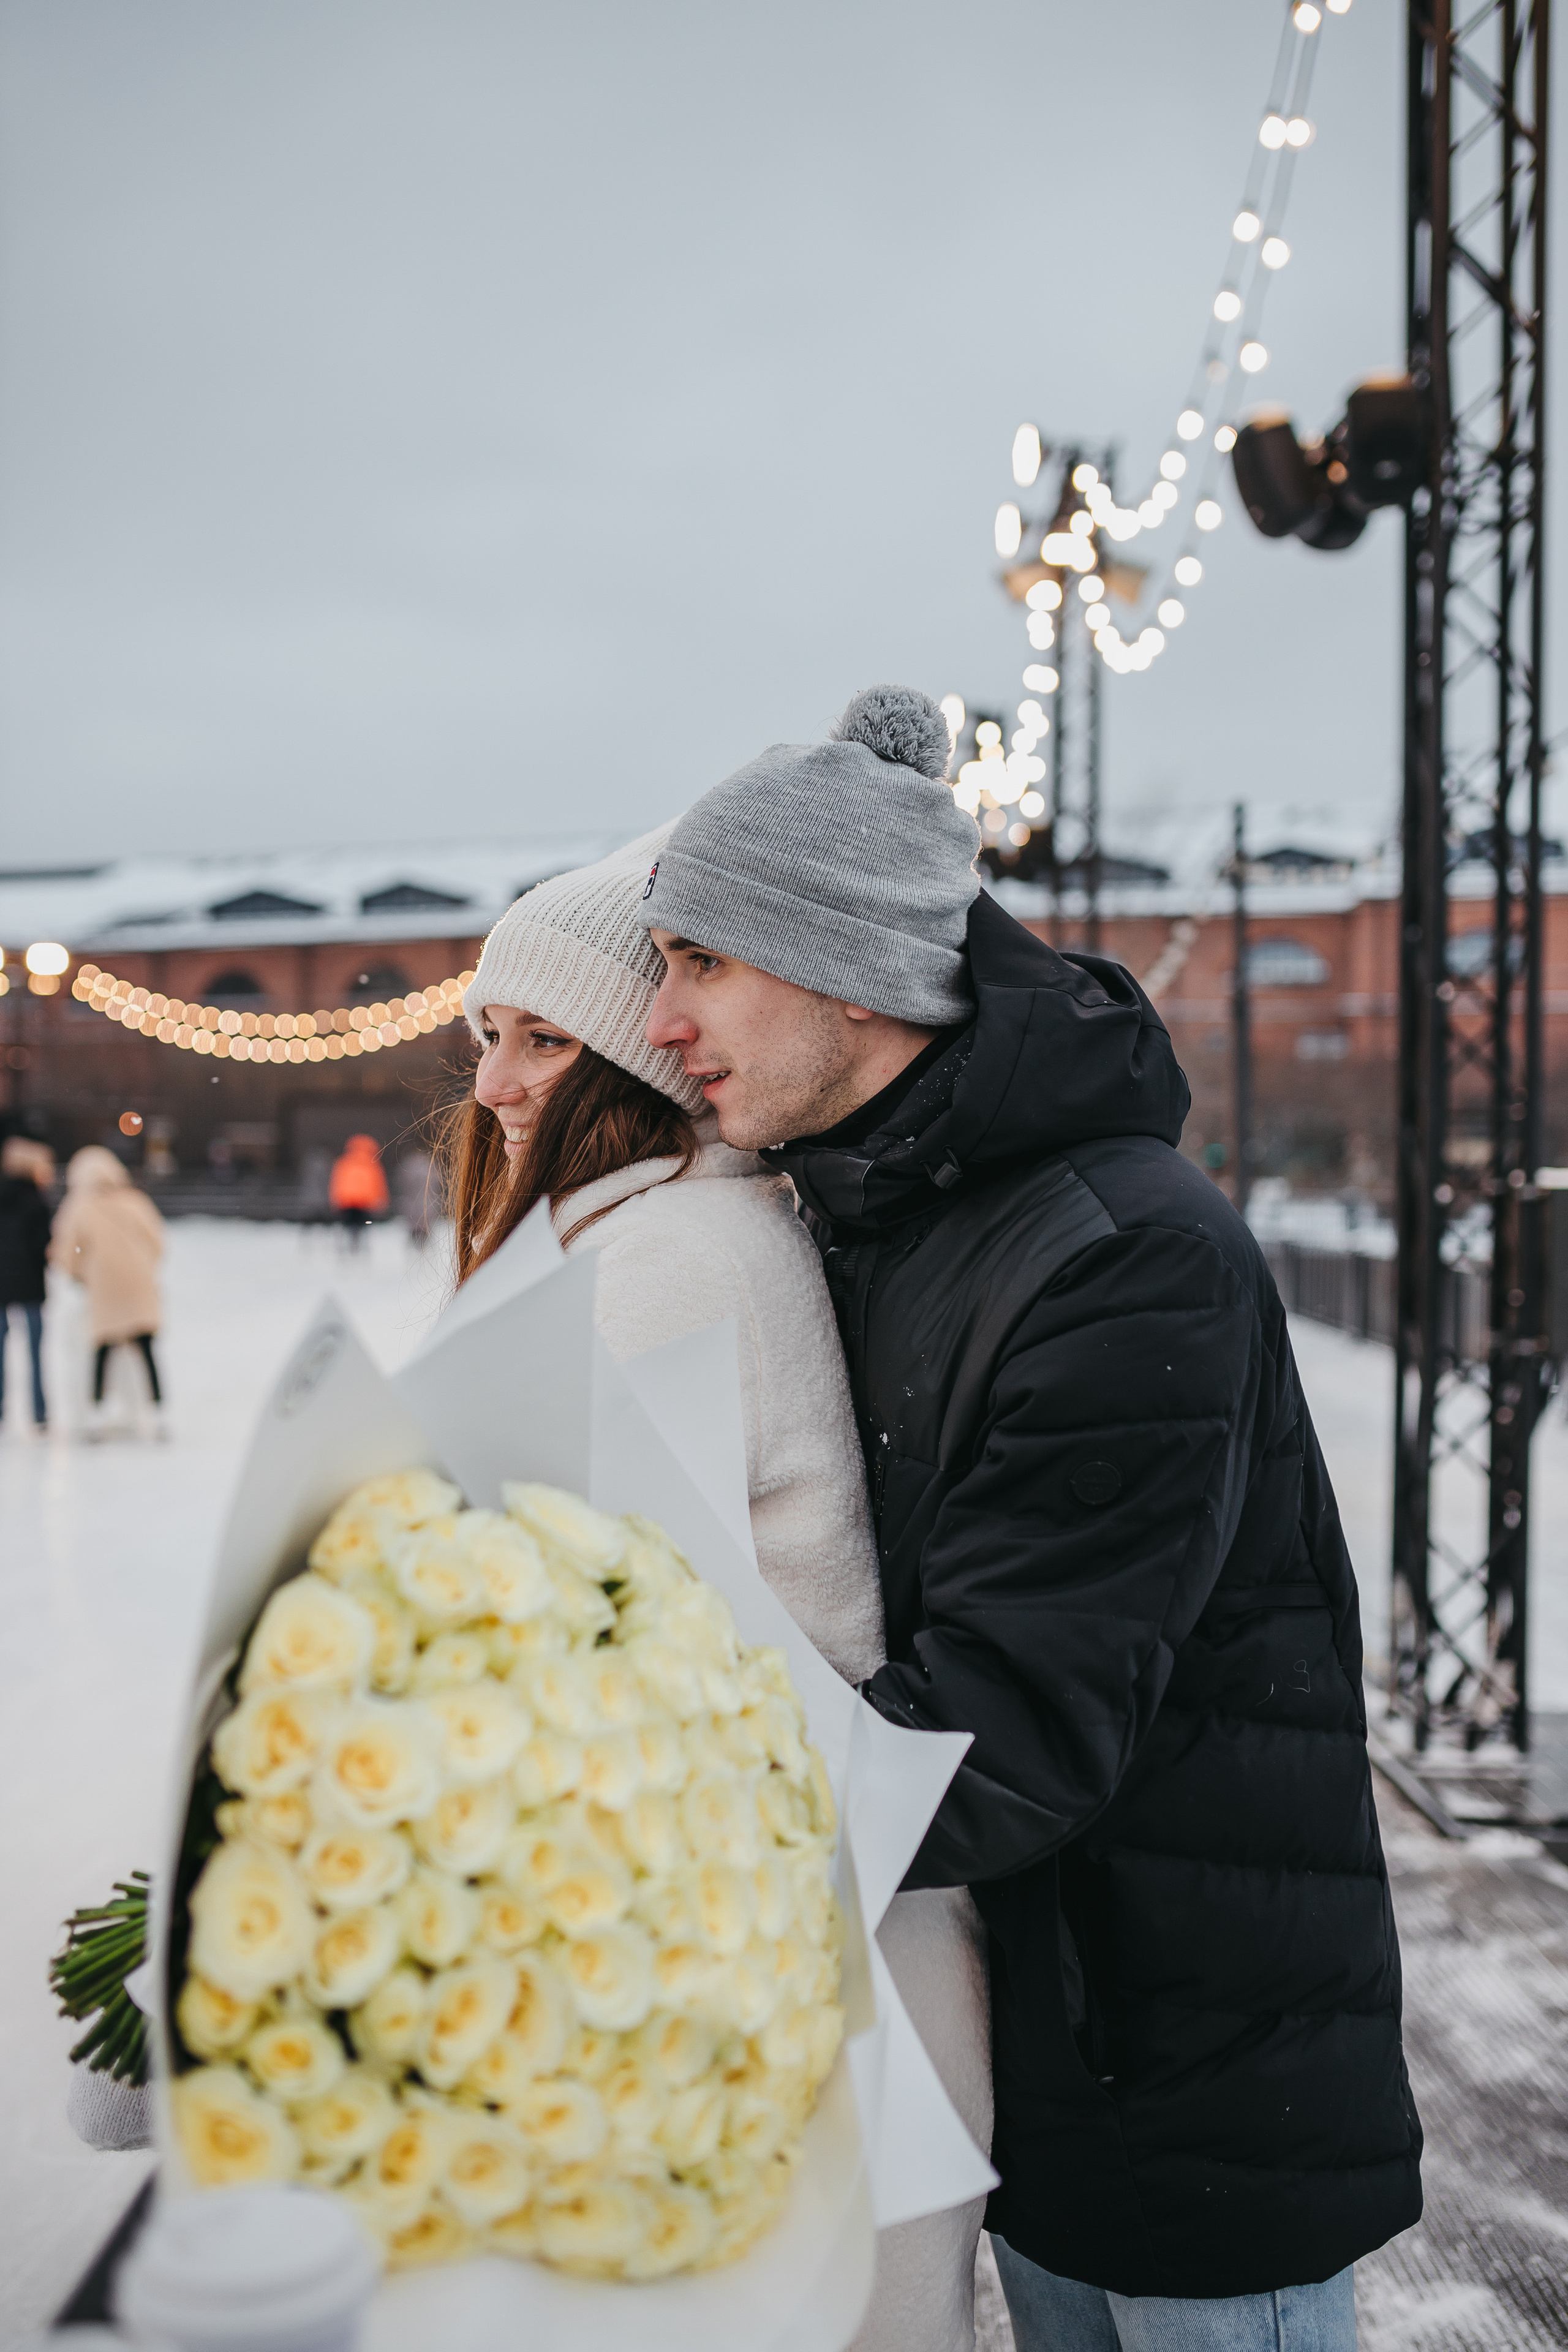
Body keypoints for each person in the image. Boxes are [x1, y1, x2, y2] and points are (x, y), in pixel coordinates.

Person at [639, 685, 1421, 2351]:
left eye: (702, 960)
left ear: (846, 960)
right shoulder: (876, 1217)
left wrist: (572, 1819)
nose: (662, 1022)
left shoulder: (1117, 1252)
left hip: (1200, 2126)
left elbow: (1000, 1739)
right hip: (1046, 2067)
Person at [446, 827, 994, 2352]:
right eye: (488, 1032)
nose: (491, 1083)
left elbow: (552, 1666)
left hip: (751, 1974)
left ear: (644, 1063)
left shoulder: (664, 1258)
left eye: (543, 1040)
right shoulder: (665, 1229)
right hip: (773, 1937)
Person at [50, 1145, 168, 1439]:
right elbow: (157, 1242)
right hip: (140, 1284)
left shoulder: (80, 1207)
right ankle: (156, 1412)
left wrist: (82, 1274)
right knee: (145, 1349)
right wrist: (143, 1266)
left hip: (103, 1288)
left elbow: (67, 1252)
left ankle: (97, 1414)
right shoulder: (136, 1201)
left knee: (102, 1349)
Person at [0, 1135, 55, 1431]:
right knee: (36, 1351)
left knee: (0, 1349)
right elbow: (42, 1247)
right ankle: (39, 1411)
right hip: (31, 1285)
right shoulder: (37, 1201)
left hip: (2, 1284)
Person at [329, 1133, 388, 1248]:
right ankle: (360, 1248)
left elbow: (337, 1182)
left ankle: (346, 1248)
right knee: (364, 1227)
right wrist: (381, 1200)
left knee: (347, 1226)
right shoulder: (373, 1165)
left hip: (346, 1201)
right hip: (365, 1202)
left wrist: (335, 1199)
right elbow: (378, 1184)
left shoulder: (343, 1163)